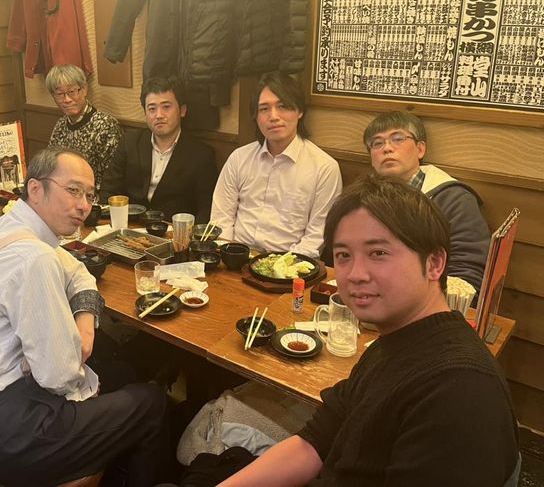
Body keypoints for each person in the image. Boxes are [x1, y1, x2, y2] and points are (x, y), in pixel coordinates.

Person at [219, 175, 519, 487]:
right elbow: (315, 441)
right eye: (344, 256)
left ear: (434, 263)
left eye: (378, 253)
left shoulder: (459, 392)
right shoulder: (392, 343)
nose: (355, 274)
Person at [0, 146, 169, 487]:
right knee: (152, 402)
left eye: (90, 195)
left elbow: (79, 272)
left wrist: (86, 327)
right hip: (10, 429)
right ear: (36, 189)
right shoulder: (33, 257)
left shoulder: (11, 226)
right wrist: (83, 373)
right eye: (73, 190)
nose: (84, 206)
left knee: (120, 372)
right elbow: (58, 377)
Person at [211, 72, 341, 257]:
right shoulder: (239, 158)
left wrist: (277, 266)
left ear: (300, 111)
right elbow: (221, 218)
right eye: (264, 109)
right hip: (235, 257)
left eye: (282, 106)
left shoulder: (324, 168)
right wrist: (228, 254)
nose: (273, 116)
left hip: (288, 264)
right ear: (256, 116)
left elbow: (316, 237)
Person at [363, 110, 491, 291]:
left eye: (398, 139)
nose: (387, 148)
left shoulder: (453, 199)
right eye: (377, 143)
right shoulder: (363, 197)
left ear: (420, 149)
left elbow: (467, 273)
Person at [101, 76, 218, 222]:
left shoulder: (201, 155)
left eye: (166, 107)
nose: (159, 115)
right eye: (152, 109)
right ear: (145, 113)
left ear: (182, 110)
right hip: (129, 227)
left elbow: (206, 209)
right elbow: (109, 191)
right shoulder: (129, 142)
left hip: (173, 231)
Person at [47, 63, 122, 190]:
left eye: (72, 92)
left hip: (92, 196)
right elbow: (50, 166)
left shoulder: (106, 126)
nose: (67, 99)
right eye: (59, 94)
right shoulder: (60, 125)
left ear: (84, 89)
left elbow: (112, 181)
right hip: (62, 193)